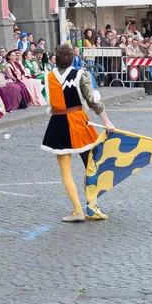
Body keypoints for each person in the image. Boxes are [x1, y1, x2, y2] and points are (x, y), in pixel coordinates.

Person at [41, 44, 115, 222]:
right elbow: (92, 101)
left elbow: (49, 102)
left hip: (58, 123)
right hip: (79, 121)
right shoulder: (81, 74)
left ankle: (77, 210)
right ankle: (93, 207)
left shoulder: (48, 76)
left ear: (56, 60)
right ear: (72, 58)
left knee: (65, 171)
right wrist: (107, 121)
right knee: (91, 164)